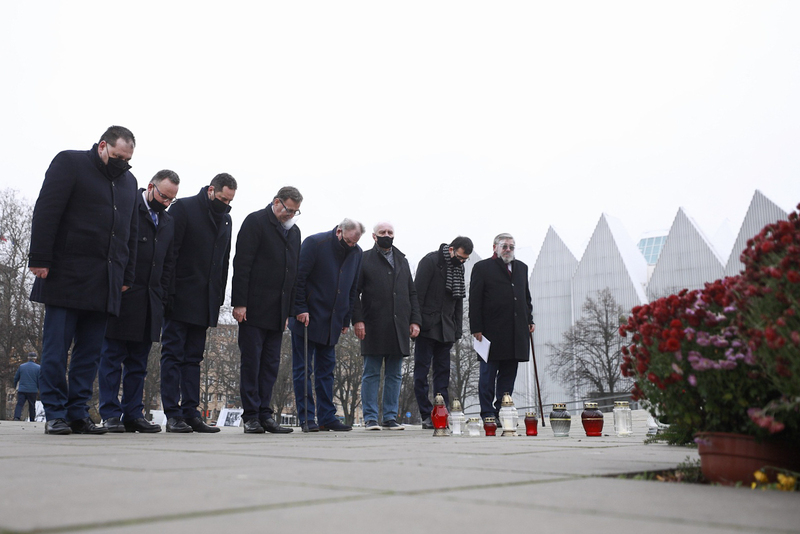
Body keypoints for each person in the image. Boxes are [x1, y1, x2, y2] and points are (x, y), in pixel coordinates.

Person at [29, 126, 139, 435]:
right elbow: (47, 210)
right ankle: (54, 412)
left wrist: (125, 275)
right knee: (55, 349)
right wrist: (39, 257)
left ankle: (78, 411)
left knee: (90, 353)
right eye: (117, 156)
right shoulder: (70, 163)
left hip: (106, 281)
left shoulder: (129, 182)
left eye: (127, 159)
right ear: (102, 146)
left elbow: (128, 233)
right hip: (66, 274)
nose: (122, 163)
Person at [98, 170, 180, 434]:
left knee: (138, 364)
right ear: (150, 187)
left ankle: (133, 413)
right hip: (123, 297)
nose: (166, 203)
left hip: (150, 301)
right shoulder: (128, 206)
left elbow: (168, 264)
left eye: (171, 200)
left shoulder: (167, 222)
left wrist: (162, 296)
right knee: (111, 358)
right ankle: (110, 413)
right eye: (164, 196)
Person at [160, 173, 237, 433]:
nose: (225, 204)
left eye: (230, 201)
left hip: (205, 301)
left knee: (194, 358)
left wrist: (216, 300)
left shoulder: (226, 219)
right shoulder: (184, 208)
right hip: (179, 296)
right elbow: (171, 252)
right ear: (211, 190)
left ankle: (191, 412)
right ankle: (172, 413)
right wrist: (167, 293)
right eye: (223, 198)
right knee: (172, 355)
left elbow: (223, 263)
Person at [232, 186, 303, 434]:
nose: (290, 215)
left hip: (277, 312)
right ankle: (251, 415)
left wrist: (288, 311)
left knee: (271, 364)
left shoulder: (294, 233)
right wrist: (239, 302)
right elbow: (242, 263)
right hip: (252, 308)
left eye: (295, 211)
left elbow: (293, 274)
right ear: (276, 202)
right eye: (288, 209)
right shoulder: (256, 222)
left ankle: (265, 413)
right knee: (252, 362)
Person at [290, 218, 364, 432]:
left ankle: (326, 417)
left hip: (333, 320)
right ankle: (306, 418)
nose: (352, 246)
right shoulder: (315, 243)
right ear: (339, 231)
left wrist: (346, 318)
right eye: (349, 241)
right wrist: (300, 308)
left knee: (327, 371)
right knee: (303, 369)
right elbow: (299, 278)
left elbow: (352, 288)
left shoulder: (357, 253)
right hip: (308, 317)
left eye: (355, 242)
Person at [353, 222, 421, 431]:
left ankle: (390, 417)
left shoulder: (402, 260)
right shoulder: (363, 259)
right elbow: (354, 292)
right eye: (382, 232)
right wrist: (358, 319)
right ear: (374, 236)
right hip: (372, 324)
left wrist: (415, 320)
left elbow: (411, 292)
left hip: (399, 324)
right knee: (371, 372)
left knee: (395, 374)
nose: (387, 235)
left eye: (390, 232)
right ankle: (371, 418)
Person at [469, 233, 535, 423]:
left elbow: (525, 298)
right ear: (495, 247)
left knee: (508, 375)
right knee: (487, 375)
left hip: (516, 331)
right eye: (504, 246)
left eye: (511, 247)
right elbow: (475, 300)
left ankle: (502, 410)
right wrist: (476, 327)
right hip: (490, 332)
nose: (508, 250)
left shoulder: (521, 268)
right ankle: (487, 413)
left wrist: (529, 319)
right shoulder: (482, 268)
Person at [413, 236, 473, 429]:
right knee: (421, 373)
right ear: (451, 249)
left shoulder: (459, 268)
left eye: (466, 259)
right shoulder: (430, 261)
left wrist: (457, 330)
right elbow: (417, 294)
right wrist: (415, 322)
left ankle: (441, 412)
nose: (462, 261)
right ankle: (425, 414)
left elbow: (458, 300)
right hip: (427, 326)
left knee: (443, 374)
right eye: (461, 257)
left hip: (446, 328)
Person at [13, 352, 40, 421]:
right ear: (35, 359)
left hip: (22, 390)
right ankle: (32, 419)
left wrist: (14, 386)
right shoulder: (38, 368)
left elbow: (16, 378)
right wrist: (39, 388)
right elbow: (39, 380)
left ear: (28, 358)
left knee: (19, 404)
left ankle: (16, 417)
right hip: (33, 390)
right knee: (32, 405)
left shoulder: (22, 366)